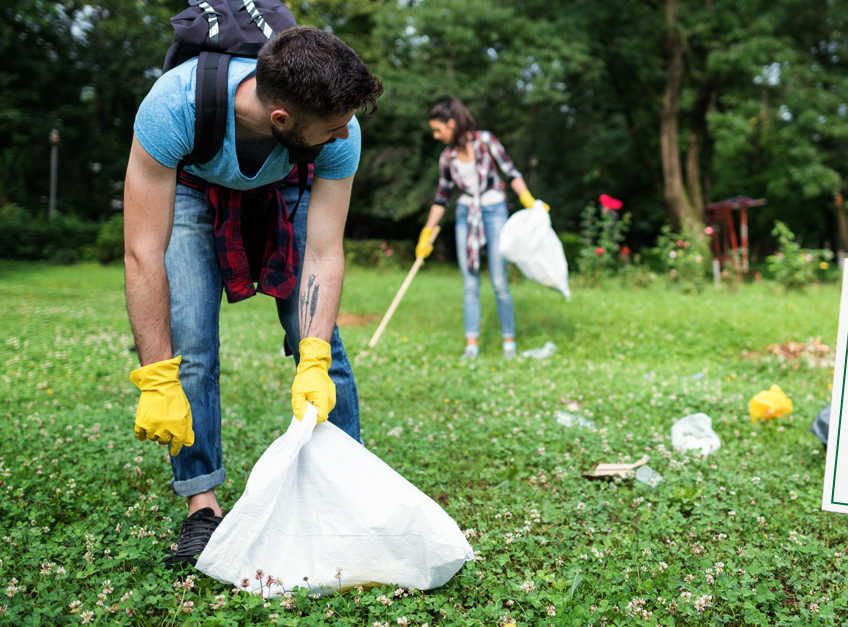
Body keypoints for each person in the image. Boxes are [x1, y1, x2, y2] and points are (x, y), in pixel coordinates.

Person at [123, 26, 384, 566]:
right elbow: (143, 253)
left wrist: (309, 355)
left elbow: (324, 252)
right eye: (333, 129)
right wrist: (154, 375)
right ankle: (202, 507)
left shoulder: (340, 132)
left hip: (288, 183)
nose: (345, 135)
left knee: (322, 347)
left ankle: (347, 494)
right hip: (195, 187)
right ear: (282, 118)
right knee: (190, 346)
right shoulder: (174, 107)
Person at [416, 97, 547, 360]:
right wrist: (427, 233)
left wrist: (528, 201)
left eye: (438, 129)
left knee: (499, 282)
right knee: (470, 285)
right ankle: (472, 346)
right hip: (466, 214)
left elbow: (510, 172)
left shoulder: (486, 141)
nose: (435, 135)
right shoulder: (447, 157)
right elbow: (442, 197)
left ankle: (509, 343)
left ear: (451, 123)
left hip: (494, 209)